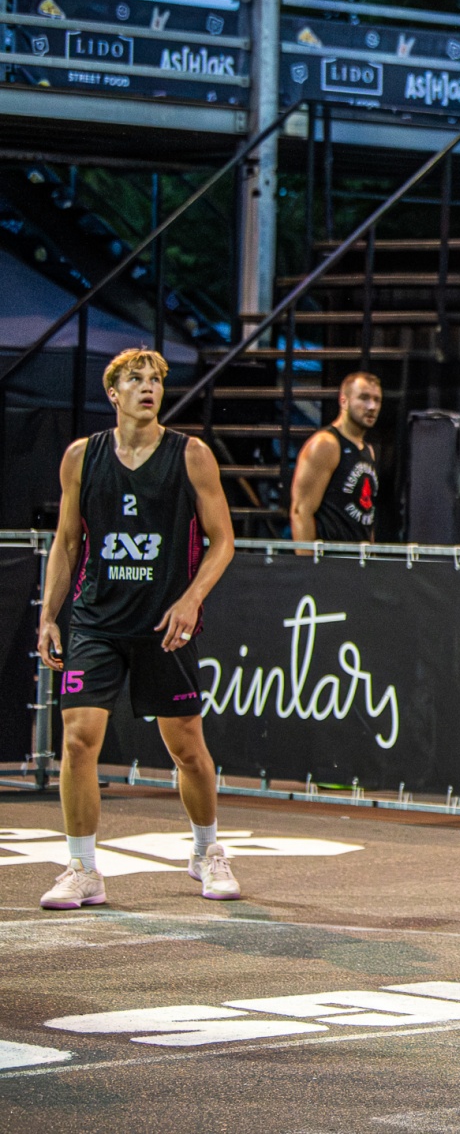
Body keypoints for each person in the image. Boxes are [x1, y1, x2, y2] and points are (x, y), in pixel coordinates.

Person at [37, 348, 238, 909]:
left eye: (155, 380)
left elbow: (223, 540)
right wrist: (49, 615)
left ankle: (206, 850)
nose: (148, 388)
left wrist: (191, 599)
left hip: (163, 622)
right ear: (113, 392)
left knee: (187, 746)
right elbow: (67, 542)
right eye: (135, 379)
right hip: (96, 620)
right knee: (78, 739)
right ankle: (83, 868)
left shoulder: (191, 455)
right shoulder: (82, 456)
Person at [289, 370, 382, 543]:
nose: (372, 407)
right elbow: (300, 511)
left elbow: (366, 515)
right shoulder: (326, 444)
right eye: (364, 398)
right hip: (329, 555)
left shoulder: (368, 450)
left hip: (359, 556)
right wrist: (307, 559)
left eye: (377, 400)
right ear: (344, 401)